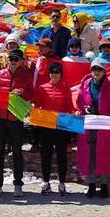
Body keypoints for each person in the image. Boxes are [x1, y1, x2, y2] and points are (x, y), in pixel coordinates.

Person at [0, 48, 34, 198]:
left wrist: (22, 92)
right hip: (0, 117)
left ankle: (18, 184)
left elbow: (32, 94)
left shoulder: (26, 76)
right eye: (11, 59)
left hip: (16, 118)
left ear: (22, 61)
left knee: (17, 151)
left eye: (16, 59)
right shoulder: (0, 74)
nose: (13, 62)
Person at [76, 58, 110, 199]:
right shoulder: (85, 85)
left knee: (104, 155)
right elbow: (79, 101)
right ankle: (91, 184)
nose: (96, 72)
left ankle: (104, 184)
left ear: (104, 71)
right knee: (90, 154)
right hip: (89, 125)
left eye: (99, 69)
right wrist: (83, 108)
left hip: (104, 127)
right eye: (94, 69)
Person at [33, 61, 74, 196]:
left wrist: (75, 113)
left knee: (62, 155)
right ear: (49, 74)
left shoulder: (66, 88)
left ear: (61, 74)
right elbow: (37, 105)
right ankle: (46, 182)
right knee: (46, 155)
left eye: (57, 72)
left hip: (61, 127)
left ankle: (62, 183)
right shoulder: (42, 88)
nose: (54, 74)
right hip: (46, 126)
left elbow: (69, 107)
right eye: (52, 72)